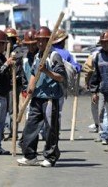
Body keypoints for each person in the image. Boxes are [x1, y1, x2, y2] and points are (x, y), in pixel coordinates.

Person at [17, 26, 66, 167]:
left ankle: (50, 157)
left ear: (49, 41)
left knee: (51, 129)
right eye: (38, 41)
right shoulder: (38, 55)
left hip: (50, 98)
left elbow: (61, 77)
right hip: (37, 97)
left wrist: (47, 71)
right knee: (31, 126)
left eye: (42, 41)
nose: (39, 43)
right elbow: (33, 73)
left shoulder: (53, 56)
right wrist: (30, 88)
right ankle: (30, 156)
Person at [17, 29, 38, 147]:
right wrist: (25, 90)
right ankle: (25, 141)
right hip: (28, 93)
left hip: (41, 93)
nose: (31, 47)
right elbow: (23, 76)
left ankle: (26, 140)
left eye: (33, 44)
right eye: (28, 45)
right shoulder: (24, 58)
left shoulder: (42, 56)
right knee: (30, 119)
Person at [3, 27, 25, 140]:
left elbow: (18, 65)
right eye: (6, 38)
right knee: (3, 109)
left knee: (12, 110)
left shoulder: (18, 51)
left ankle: (13, 132)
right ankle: (5, 131)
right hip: (3, 85)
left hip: (14, 84)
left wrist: (13, 59)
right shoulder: (2, 50)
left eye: (9, 39)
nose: (8, 41)